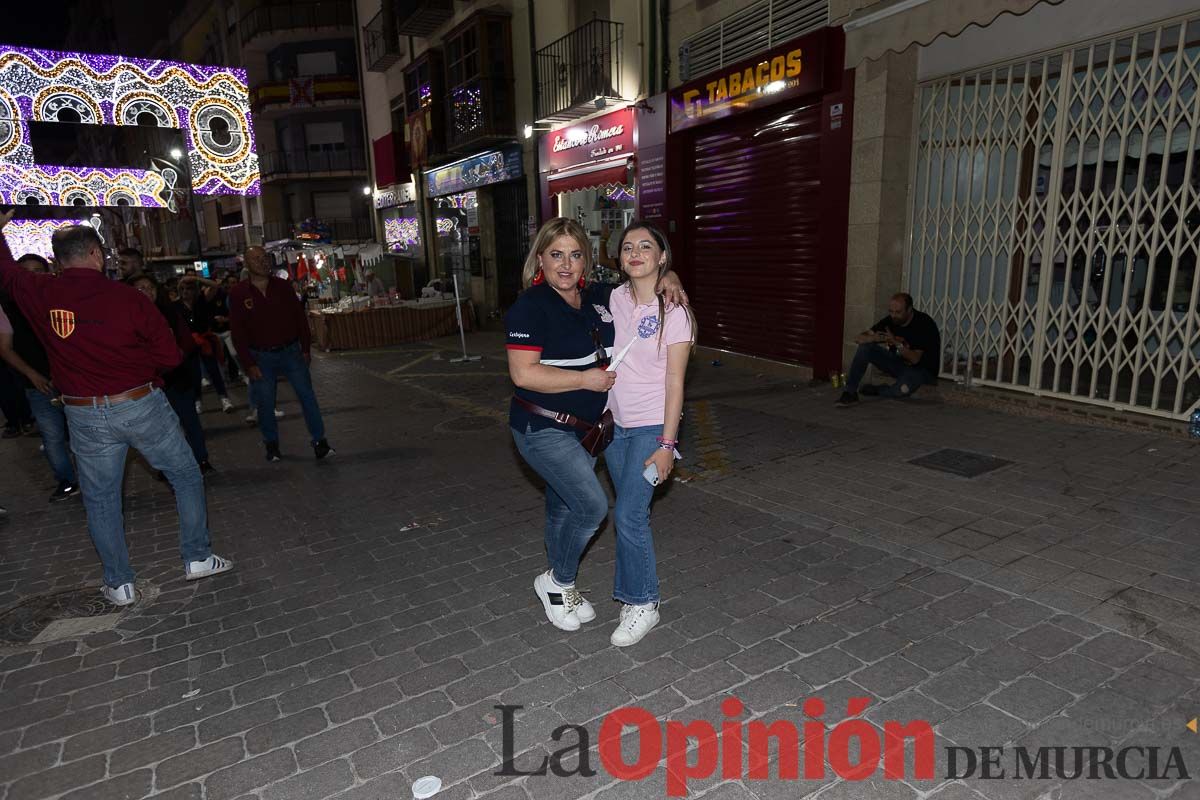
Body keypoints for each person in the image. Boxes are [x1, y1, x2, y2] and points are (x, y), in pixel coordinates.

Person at [0, 213, 232, 606]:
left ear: (57, 259)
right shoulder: (128, 298)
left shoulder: (41, 292)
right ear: (96, 254)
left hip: (83, 412)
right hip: (138, 402)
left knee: (102, 498)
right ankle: (197, 557)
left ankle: (120, 583)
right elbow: (169, 354)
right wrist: (140, 368)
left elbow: (6, 273)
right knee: (185, 474)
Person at [506, 218, 686, 635]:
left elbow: (647, 280)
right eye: (556, 255)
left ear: (587, 261)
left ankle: (575, 589)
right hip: (544, 426)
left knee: (561, 506)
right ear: (541, 259)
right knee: (591, 506)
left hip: (590, 429)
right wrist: (585, 379)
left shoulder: (599, 298)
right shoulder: (530, 306)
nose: (566, 265)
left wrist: (669, 273)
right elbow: (523, 375)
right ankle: (558, 582)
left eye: (575, 254)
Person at [604, 221, 696, 646]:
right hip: (614, 426)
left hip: (650, 427)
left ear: (662, 257)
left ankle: (644, 602)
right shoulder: (614, 298)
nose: (635, 252)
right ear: (620, 260)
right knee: (625, 512)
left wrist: (667, 445)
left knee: (629, 515)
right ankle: (630, 596)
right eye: (627, 247)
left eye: (646, 246)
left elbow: (676, 382)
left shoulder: (675, 311)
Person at [229, 246, 332, 462]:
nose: (263, 262)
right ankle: (272, 445)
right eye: (256, 259)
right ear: (247, 264)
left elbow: (299, 319)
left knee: (307, 396)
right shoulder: (239, 293)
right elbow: (237, 332)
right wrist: (249, 363)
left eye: (265, 257)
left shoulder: (283, 287)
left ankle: (320, 441)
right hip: (261, 357)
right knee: (266, 402)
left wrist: (305, 348)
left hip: (290, 352)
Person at [0, 253, 79, 501]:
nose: (33, 276)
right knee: (53, 437)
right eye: (26, 271)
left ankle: (93, 478)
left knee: (83, 435)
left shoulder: (60, 297)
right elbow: (5, 348)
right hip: (38, 385)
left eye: (38, 270)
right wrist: (32, 374)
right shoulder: (8, 307)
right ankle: (67, 481)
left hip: (73, 381)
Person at [129, 274, 213, 474]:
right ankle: (166, 467)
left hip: (175, 377)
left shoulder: (170, 312)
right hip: (147, 383)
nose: (147, 292)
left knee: (189, 420)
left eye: (150, 287)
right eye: (140, 288)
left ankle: (201, 459)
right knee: (157, 429)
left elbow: (186, 342)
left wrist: (175, 357)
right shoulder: (127, 317)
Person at [836, 292, 942, 407]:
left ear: (909, 310)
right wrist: (874, 338)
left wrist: (896, 343)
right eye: (891, 311)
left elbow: (915, 359)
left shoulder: (924, 323)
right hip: (900, 365)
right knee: (865, 348)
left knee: (901, 390)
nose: (894, 315)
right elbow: (859, 339)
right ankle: (850, 392)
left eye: (898, 312)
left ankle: (880, 390)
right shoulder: (891, 320)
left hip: (922, 371)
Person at [175, 277, 234, 414]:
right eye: (182, 289)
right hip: (189, 343)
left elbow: (215, 285)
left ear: (194, 290)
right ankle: (197, 400)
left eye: (188, 288)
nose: (185, 292)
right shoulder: (176, 305)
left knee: (214, 370)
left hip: (205, 339)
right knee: (194, 374)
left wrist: (195, 278)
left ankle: (224, 398)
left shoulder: (200, 300)